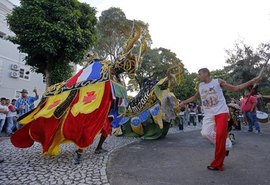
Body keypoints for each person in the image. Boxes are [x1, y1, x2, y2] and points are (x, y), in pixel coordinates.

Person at [180, 68, 261, 171]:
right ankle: (226, 143)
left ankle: (217, 164)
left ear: (206, 74)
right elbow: (195, 97)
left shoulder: (218, 82)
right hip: (209, 115)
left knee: (219, 138)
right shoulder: (200, 86)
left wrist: (251, 81)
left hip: (221, 113)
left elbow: (236, 88)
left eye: (199, 74)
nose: (198, 76)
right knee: (205, 133)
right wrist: (184, 102)